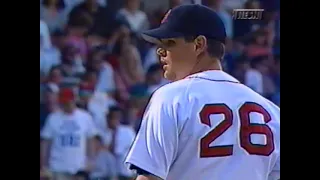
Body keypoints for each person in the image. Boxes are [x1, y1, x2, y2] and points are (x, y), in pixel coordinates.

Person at [124, 4, 280, 180]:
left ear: (199, 45)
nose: (160, 51)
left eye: (170, 42)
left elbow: (150, 178)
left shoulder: (172, 97)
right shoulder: (271, 111)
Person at [40, 88, 98, 179]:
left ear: (74, 100)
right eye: (64, 103)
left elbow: (91, 141)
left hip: (79, 168)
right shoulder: (53, 118)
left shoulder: (85, 117)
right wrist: (43, 165)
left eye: (68, 102)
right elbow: (45, 143)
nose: (66, 105)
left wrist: (91, 161)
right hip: (57, 167)